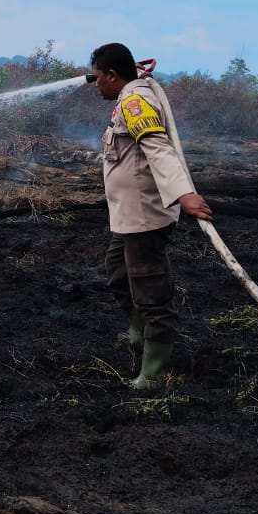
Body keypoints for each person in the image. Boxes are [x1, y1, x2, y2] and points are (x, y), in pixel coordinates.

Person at [89, 42, 212, 391]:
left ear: (113, 75)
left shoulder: (134, 101)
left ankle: (153, 373)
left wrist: (184, 194)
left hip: (144, 219)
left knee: (151, 292)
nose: (96, 85)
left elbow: (158, 149)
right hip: (126, 217)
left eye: (98, 78)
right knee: (117, 274)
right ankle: (137, 331)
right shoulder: (130, 93)